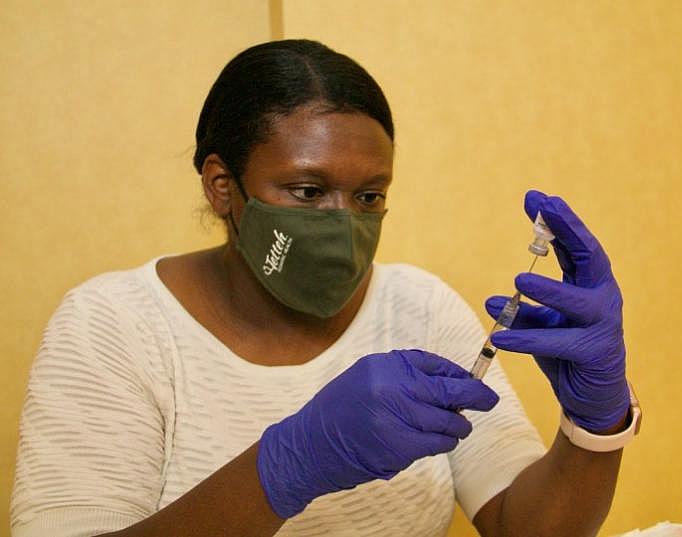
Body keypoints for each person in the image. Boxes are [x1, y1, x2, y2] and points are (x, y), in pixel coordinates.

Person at [10, 40, 638, 537]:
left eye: (369, 195)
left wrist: (596, 423)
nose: (344, 225)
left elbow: (522, 528)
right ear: (221, 185)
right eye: (308, 192)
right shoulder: (114, 325)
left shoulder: (421, 308)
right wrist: (284, 467)